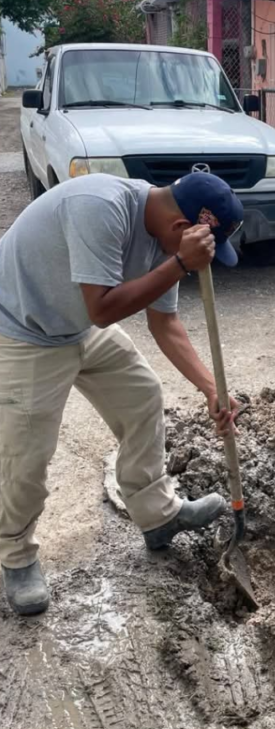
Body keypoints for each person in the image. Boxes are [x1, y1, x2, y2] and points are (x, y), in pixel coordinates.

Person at [0, 172, 244, 616]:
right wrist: (182, 264)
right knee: (28, 450)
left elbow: (164, 323)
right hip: (22, 329)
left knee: (142, 395)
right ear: (180, 229)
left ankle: (157, 515)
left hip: (75, 325)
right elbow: (103, 308)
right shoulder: (102, 206)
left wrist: (212, 388)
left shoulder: (163, 236)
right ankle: (16, 556)